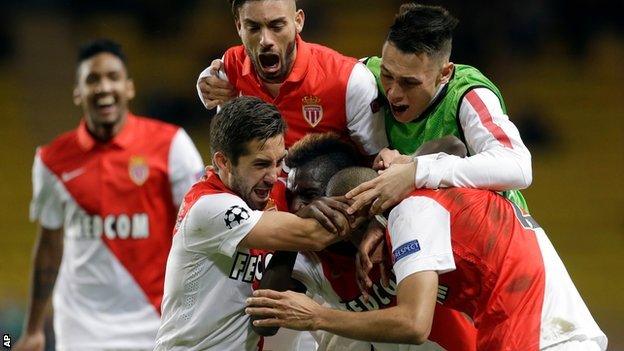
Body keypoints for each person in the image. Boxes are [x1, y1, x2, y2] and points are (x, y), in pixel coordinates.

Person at [247, 167, 608, 351]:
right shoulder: (418, 203)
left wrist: (318, 316)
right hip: (539, 329)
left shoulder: (412, 213)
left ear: (354, 210)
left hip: (545, 337)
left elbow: (414, 324)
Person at [15, 39, 205, 351]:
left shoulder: (172, 145)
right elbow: (49, 245)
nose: (104, 87)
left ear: (129, 87)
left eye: (113, 77)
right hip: (81, 328)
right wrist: (33, 328)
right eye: (92, 79)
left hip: (158, 321)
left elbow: (200, 229)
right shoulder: (51, 160)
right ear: (78, 92)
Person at [154, 96, 362, 351]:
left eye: (279, 162)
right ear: (223, 162)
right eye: (261, 164)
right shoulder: (210, 208)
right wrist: (376, 199)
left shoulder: (261, 194)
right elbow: (313, 235)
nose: (273, 176)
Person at [258, 133, 476, 351]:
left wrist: (382, 215)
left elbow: (453, 144)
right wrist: (293, 237)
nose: (298, 207)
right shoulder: (316, 258)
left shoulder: (406, 215)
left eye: (309, 195)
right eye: (291, 197)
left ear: (345, 190)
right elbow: (264, 323)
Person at [347, 3, 532, 215]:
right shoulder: (362, 77)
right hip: (418, 227)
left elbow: (518, 166)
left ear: (444, 74)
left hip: (494, 230)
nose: (393, 93)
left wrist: (417, 171)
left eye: (410, 83)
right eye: (387, 75)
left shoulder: (467, 94)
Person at [196, 0, 388, 156]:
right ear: (239, 27)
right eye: (253, 28)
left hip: (325, 195)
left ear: (298, 21)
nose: (265, 40)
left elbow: (373, 164)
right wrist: (204, 83)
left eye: (277, 26)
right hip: (261, 197)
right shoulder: (230, 69)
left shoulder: (349, 80)